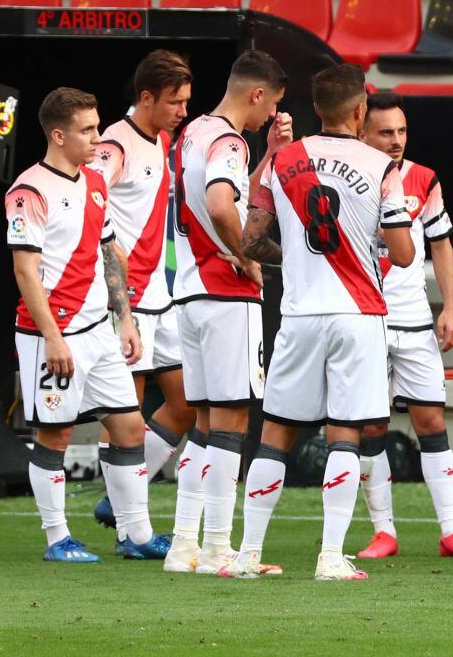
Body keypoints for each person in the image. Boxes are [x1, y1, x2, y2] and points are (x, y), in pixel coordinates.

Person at [219, 63, 415, 581]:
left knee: (276, 433)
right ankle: (330, 556)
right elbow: (404, 251)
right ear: (360, 110)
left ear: (315, 108)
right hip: (357, 314)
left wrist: (304, 257)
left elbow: (251, 241)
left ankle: (246, 556)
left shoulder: (285, 160)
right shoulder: (382, 167)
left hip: (299, 314)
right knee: (345, 433)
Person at [7, 87, 165, 562]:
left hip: (99, 329)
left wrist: (126, 319)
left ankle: (135, 536)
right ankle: (57, 539)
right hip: (53, 334)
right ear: (58, 134)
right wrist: (53, 338)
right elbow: (24, 271)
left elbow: (109, 253)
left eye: (97, 125)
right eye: (88, 129)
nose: (99, 137)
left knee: (130, 427)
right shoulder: (29, 190)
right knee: (54, 436)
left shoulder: (95, 183)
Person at [168, 50, 293, 574]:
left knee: (203, 423)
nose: (270, 117)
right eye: (274, 106)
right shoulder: (229, 141)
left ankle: (183, 546)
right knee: (232, 422)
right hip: (225, 291)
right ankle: (221, 550)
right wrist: (246, 257)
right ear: (258, 94)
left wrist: (269, 155)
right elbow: (223, 204)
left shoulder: (192, 132)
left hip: (190, 290)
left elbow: (226, 195)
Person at [352, 93, 453, 561]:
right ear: (361, 131)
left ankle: (451, 531)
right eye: (385, 132)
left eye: (402, 131)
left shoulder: (423, 178)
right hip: (364, 318)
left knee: (431, 421)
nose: (395, 141)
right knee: (371, 427)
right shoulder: (347, 175)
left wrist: (449, 306)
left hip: (412, 319)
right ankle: (383, 532)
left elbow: (441, 244)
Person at [88, 50, 198, 550]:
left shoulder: (163, 138)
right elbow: (89, 203)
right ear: (146, 97)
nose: (183, 110)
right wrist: (114, 296)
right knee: (124, 416)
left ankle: (118, 497)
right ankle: (133, 531)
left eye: (187, 101)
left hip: (162, 295)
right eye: (175, 101)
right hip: (125, 302)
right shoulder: (114, 144)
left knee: (187, 403)